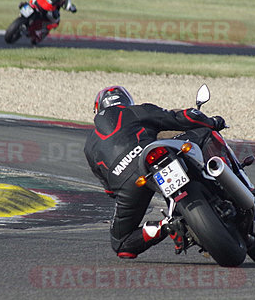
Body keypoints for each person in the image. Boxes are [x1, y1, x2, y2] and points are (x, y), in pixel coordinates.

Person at [84, 86, 226, 259]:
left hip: (127, 183)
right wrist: (213, 122)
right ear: (127, 101)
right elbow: (181, 118)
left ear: (98, 108)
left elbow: (109, 190)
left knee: (121, 244)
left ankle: (165, 225)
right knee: (205, 133)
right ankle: (220, 177)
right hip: (151, 156)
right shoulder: (135, 111)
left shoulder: (89, 145)